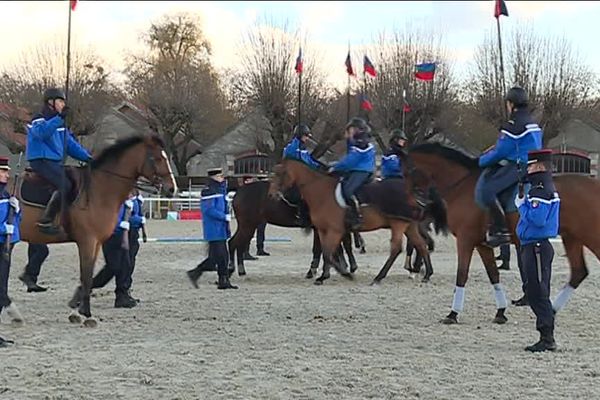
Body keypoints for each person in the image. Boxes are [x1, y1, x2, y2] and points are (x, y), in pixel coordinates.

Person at [475, 86, 542, 247]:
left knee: (487, 190)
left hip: (519, 166)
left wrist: (479, 161)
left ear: (511, 104)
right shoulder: (532, 122)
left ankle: (500, 230)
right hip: (534, 163)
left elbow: (500, 152)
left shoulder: (513, 124)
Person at [26, 87, 93, 235]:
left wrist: (88, 158)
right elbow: (42, 134)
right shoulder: (38, 118)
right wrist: (59, 119)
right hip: (41, 160)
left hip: (54, 162)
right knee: (66, 184)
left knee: (75, 179)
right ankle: (46, 220)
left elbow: (70, 145)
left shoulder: (60, 124)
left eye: (63, 101)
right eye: (60, 101)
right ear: (51, 102)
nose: (63, 104)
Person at [514, 149, 560, 352]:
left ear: (540, 166)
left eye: (531, 165)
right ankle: (545, 334)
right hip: (533, 246)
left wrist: (521, 206)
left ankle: (547, 337)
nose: (528, 169)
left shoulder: (539, 189)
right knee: (535, 291)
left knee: (538, 292)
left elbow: (538, 219)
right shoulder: (540, 186)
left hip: (537, 247)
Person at [71, 200, 137, 308]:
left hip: (122, 234)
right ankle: (85, 288)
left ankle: (122, 296)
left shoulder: (129, 200)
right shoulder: (114, 198)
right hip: (112, 235)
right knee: (113, 267)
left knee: (125, 266)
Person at [186, 168, 237, 290]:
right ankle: (196, 273)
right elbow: (209, 210)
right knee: (218, 256)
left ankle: (222, 279)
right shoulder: (209, 191)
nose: (222, 178)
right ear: (213, 177)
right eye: (220, 176)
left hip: (221, 228)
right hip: (213, 228)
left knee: (222, 256)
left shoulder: (220, 190)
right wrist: (223, 216)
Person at [328, 117, 376, 230]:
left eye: (351, 129)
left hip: (362, 170)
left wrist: (335, 167)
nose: (349, 131)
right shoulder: (355, 140)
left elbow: (351, 160)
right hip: (356, 168)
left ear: (358, 129)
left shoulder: (362, 142)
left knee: (348, 190)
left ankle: (357, 217)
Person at [0, 156, 22, 347]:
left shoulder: (6, 195)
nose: (7, 174)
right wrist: (2, 230)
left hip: (6, 247)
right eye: (3, 171)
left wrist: (17, 210)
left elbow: (14, 221)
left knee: (2, 286)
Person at [282, 124, 321, 228]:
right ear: (300, 136)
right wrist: (297, 142)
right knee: (303, 193)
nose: (307, 138)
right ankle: (300, 215)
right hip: (292, 177)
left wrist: (320, 167)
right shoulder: (292, 147)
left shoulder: (303, 148)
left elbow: (309, 161)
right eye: (306, 136)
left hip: (303, 176)